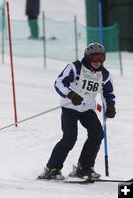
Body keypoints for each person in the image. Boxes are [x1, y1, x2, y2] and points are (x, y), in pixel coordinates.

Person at [38, 43, 116, 180]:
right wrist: (71, 94)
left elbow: (108, 93)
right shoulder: (76, 67)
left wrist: (110, 106)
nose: (98, 62)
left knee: (97, 134)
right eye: (95, 58)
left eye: (102, 58)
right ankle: (52, 168)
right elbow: (59, 83)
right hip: (70, 107)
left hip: (87, 108)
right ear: (88, 57)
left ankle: (84, 167)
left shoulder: (104, 74)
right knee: (70, 137)